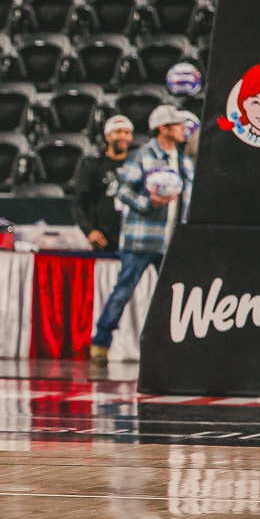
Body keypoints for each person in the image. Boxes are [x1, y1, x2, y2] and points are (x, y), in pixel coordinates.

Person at [90, 105, 192, 365]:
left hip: (171, 240)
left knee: (174, 295)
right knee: (123, 291)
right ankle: (100, 343)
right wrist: (149, 204)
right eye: (177, 125)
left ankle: (170, 347)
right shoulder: (143, 156)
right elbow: (123, 191)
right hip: (141, 239)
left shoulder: (183, 160)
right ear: (163, 128)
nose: (183, 129)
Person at [72, 115, 134, 253]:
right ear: (108, 136)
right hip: (103, 240)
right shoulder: (93, 165)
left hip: (132, 238)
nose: (123, 136)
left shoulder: (136, 165)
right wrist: (89, 231)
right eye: (118, 132)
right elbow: (79, 202)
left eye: (127, 132)